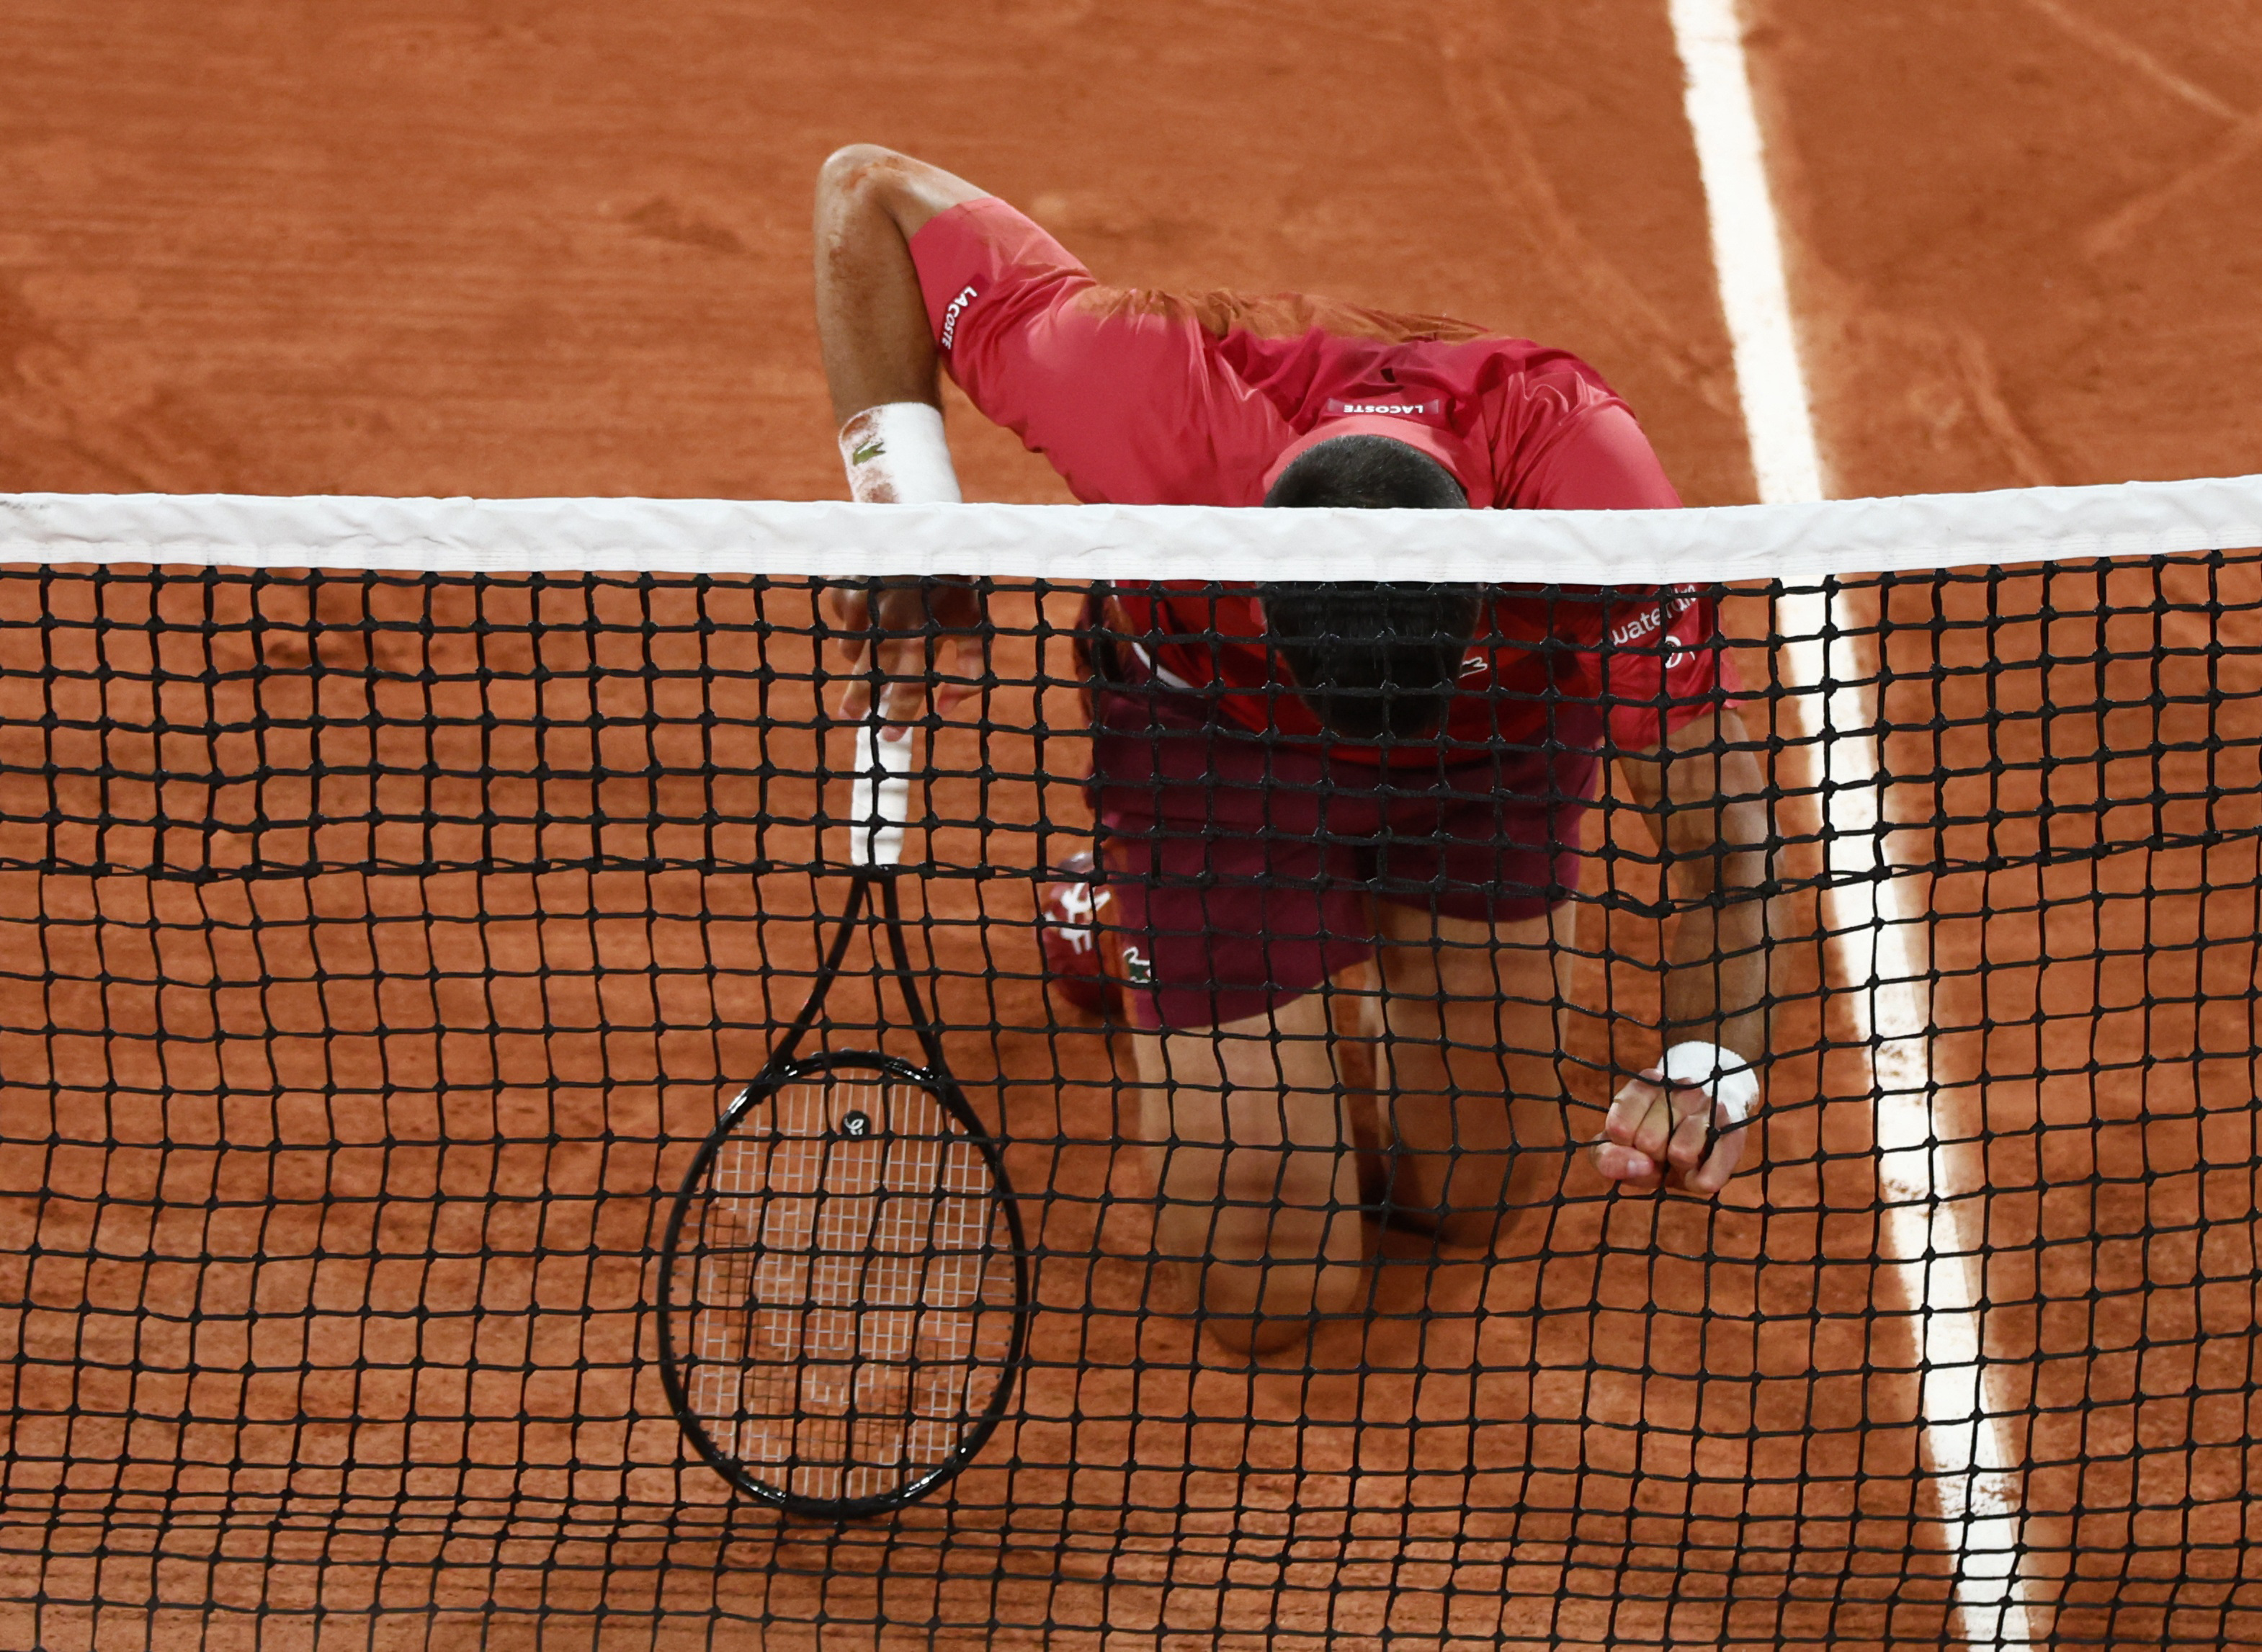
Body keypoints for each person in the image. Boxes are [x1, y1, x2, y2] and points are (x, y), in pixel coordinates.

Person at [810, 144, 1774, 1357]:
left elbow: (1729, 846)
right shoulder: (1133, 393)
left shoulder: (1591, 507)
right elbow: (868, 195)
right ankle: (1126, 914)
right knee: (1268, 1282)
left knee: (1480, 1191)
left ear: (1483, 578)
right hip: (1218, 742)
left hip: (1485, 756)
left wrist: (1713, 1064)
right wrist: (914, 536)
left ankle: (1286, 961)